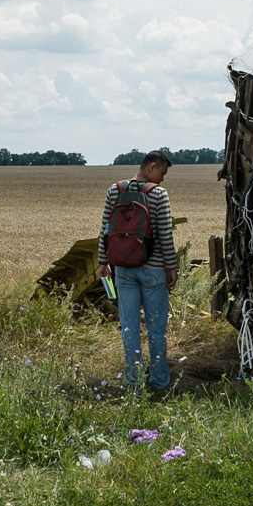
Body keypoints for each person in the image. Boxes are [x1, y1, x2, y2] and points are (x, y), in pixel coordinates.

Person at [97, 150, 179, 391]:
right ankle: (159, 380)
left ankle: (134, 381)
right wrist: (171, 266)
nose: (162, 179)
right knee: (156, 327)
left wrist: (104, 261)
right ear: (152, 167)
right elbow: (165, 234)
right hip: (152, 270)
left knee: (129, 326)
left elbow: (105, 229)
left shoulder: (115, 190)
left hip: (122, 269)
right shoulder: (159, 194)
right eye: (162, 173)